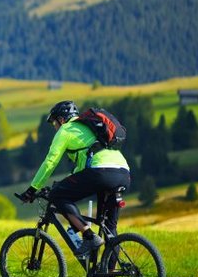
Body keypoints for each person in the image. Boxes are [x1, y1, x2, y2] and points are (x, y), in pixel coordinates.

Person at [20, 100, 131, 256]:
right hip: (123, 173)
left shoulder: (65, 130)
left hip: (101, 173)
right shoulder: (90, 129)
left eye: (54, 123)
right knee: (110, 229)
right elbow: (84, 165)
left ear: (62, 119)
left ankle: (88, 236)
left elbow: (50, 162)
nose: (55, 127)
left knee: (58, 195)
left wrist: (33, 189)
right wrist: (64, 182)